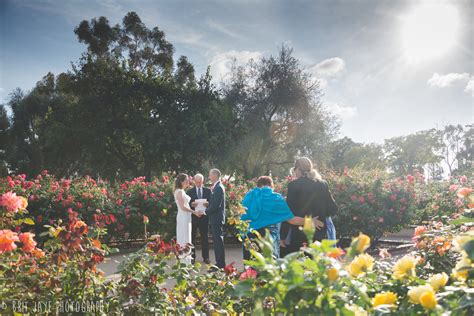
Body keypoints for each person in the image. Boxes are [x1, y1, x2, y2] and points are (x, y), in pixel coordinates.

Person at [241, 176, 315, 260]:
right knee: (269, 268)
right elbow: (292, 220)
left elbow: (241, 218)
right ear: (272, 185)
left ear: (257, 185)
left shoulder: (248, 196)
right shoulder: (275, 198)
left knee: (250, 269)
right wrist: (311, 221)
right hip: (268, 237)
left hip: (249, 236)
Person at [281, 157, 338, 255]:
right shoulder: (322, 184)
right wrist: (321, 216)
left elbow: (288, 213)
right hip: (319, 233)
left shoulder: (293, 185)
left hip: (299, 233)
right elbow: (333, 209)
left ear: (298, 169)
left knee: (300, 265)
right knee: (316, 266)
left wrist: (283, 236)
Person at [173, 173, 204, 264]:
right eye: (186, 180)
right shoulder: (179, 191)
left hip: (186, 217)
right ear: (182, 181)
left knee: (187, 237)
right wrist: (194, 212)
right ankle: (183, 262)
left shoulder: (181, 191)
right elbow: (182, 207)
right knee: (183, 238)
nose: (188, 181)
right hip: (183, 217)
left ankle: (186, 261)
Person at [204, 169, 226, 269]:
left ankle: (220, 264)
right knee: (217, 242)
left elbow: (216, 206)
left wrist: (204, 211)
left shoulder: (218, 188)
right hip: (215, 218)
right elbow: (214, 204)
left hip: (216, 219)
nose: (209, 177)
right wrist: (208, 205)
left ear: (215, 175)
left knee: (218, 242)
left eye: (210, 175)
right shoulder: (217, 187)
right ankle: (219, 263)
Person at [187, 173, 211, 264]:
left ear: (203, 181)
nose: (198, 184)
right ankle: (192, 257)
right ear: (194, 181)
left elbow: (211, 203)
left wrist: (208, 204)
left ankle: (206, 257)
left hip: (204, 217)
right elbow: (186, 205)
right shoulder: (190, 191)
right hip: (194, 217)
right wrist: (191, 204)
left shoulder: (208, 191)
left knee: (205, 238)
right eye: (196, 182)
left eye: (200, 182)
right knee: (192, 237)